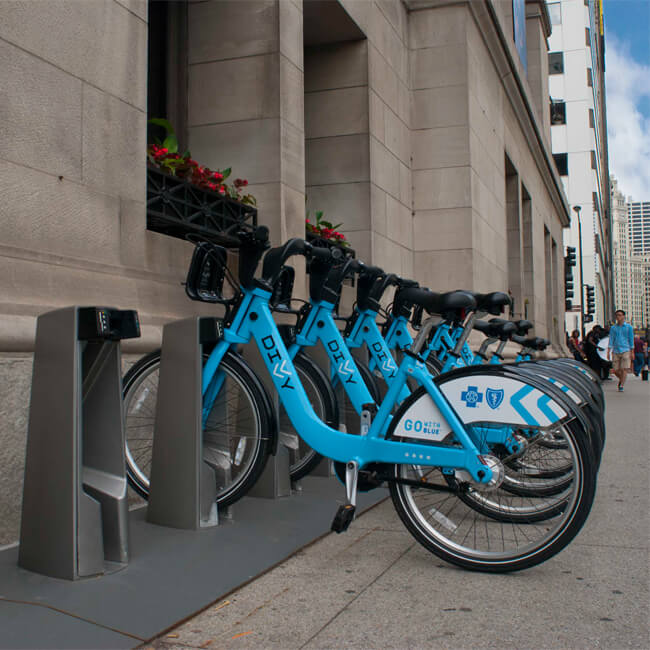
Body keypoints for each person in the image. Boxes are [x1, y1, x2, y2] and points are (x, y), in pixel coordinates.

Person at [608, 309, 634, 391]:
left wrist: (632, 351)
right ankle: (621, 379)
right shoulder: (613, 328)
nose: (618, 317)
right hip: (616, 350)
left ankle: (621, 385)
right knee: (615, 370)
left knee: (624, 368)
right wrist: (609, 350)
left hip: (626, 349)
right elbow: (611, 339)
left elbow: (631, 339)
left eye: (620, 315)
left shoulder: (629, 327)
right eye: (617, 315)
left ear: (623, 316)